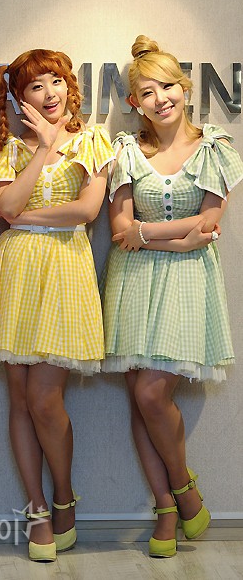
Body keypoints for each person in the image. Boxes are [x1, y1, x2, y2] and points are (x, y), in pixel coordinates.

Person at [101, 35, 243, 558]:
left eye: (167, 87)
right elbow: (119, 229)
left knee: (151, 394)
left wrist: (147, 234)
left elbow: (209, 223)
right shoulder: (126, 152)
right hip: (133, 279)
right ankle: (167, 506)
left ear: (185, 89)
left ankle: (184, 488)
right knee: (139, 398)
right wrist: (167, 236)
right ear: (133, 102)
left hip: (186, 280)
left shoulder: (214, 148)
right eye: (147, 91)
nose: (160, 98)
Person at [0, 49, 113, 562]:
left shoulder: (93, 141)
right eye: (35, 86)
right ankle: (36, 509)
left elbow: (87, 210)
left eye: (55, 80)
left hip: (65, 270)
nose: (48, 93)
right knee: (19, 399)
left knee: (45, 399)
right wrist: (45, 148)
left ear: (68, 85)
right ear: (19, 97)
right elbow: (5, 205)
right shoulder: (6, 147)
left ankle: (64, 496)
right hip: (15, 272)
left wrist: (25, 217)